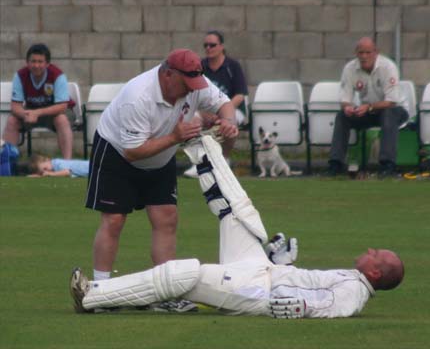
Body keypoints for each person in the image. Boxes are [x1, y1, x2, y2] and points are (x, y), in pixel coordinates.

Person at [71, 130, 404, 318]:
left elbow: (333, 307)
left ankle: (93, 296)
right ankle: (202, 147)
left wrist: (301, 306)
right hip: (263, 271)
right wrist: (282, 262)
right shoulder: (352, 277)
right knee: (241, 214)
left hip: (256, 291)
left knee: (185, 273)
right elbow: (307, 284)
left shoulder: (355, 291)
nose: (369, 250)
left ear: (376, 273)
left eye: (375, 254)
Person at [85, 48, 237, 306]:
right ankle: (99, 290)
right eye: (186, 84)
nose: (192, 90)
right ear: (168, 75)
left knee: (166, 218)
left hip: (162, 154)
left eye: (195, 84)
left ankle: (164, 293)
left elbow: (225, 104)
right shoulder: (139, 96)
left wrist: (229, 122)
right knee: (114, 219)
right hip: (117, 152)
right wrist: (175, 138)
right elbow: (133, 151)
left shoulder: (195, 83)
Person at [327, 37, 409, 177]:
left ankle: (387, 165)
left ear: (376, 52)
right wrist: (347, 107)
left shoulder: (388, 67)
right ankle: (336, 164)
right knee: (342, 116)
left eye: (368, 52)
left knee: (388, 114)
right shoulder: (350, 68)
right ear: (356, 53)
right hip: (368, 111)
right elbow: (345, 98)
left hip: (395, 110)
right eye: (361, 53)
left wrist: (369, 107)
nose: (364, 56)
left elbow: (391, 101)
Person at [183, 30, 248, 178]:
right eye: (205, 45)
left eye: (212, 45)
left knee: (231, 123)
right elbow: (192, 93)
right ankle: (199, 161)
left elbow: (240, 95)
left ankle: (224, 158)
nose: (208, 48)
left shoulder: (232, 66)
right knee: (192, 120)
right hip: (205, 110)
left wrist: (222, 113)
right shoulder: (200, 66)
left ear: (221, 46)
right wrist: (204, 112)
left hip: (231, 108)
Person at [2, 43, 74, 159]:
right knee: (12, 120)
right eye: (33, 61)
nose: (36, 65)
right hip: (31, 112)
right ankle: (6, 163)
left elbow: (62, 106)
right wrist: (24, 114)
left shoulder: (57, 75)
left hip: (56, 113)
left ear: (47, 63)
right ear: (27, 62)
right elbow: (15, 106)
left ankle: (67, 165)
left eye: (40, 62)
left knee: (61, 120)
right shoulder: (20, 76)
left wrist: (37, 113)